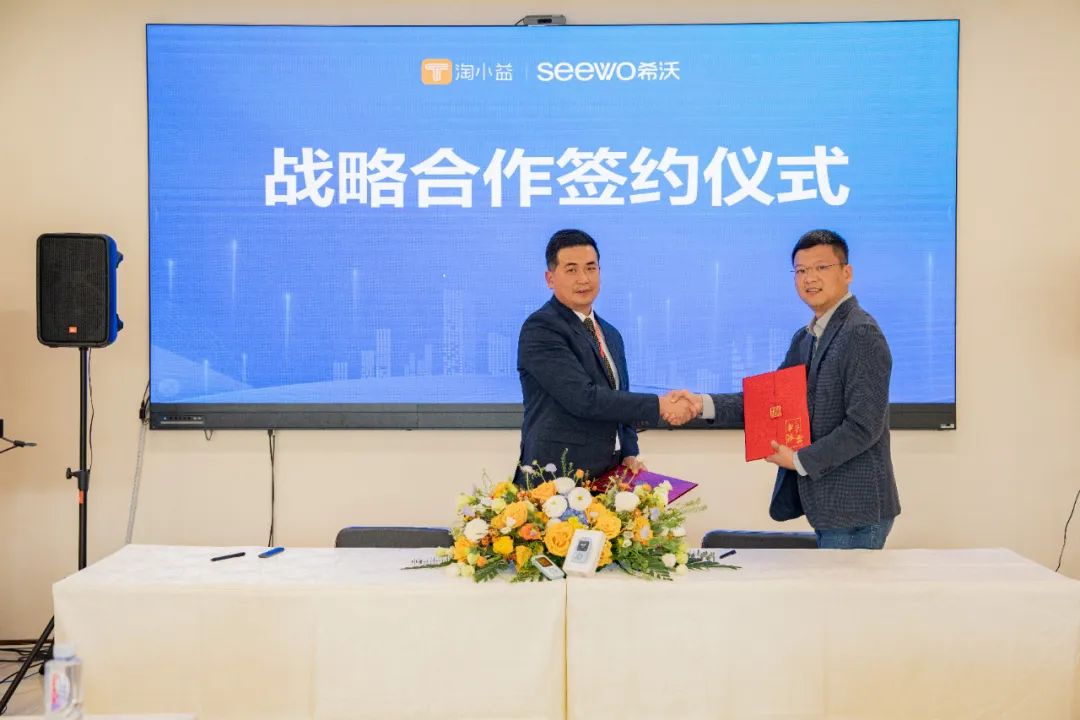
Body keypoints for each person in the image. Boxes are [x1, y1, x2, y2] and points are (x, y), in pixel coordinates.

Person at [676, 229, 901, 548]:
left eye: (821, 267)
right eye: (801, 270)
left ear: (846, 273)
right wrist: (702, 404)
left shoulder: (860, 334)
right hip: (829, 507)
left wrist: (799, 460)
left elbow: (864, 426)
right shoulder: (806, 338)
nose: (810, 278)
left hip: (855, 510)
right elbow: (768, 401)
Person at [516, 229, 696, 484]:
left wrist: (630, 452)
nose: (583, 279)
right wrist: (661, 405)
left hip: (608, 475)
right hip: (557, 478)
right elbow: (584, 398)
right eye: (571, 269)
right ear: (550, 278)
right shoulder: (542, 328)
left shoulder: (610, 334)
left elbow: (620, 398)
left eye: (591, 268)